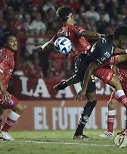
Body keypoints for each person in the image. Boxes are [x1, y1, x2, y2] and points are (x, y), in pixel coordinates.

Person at [36, 6, 105, 139]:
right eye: (72, 16)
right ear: (70, 16)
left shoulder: (61, 32)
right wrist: (99, 35)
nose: (74, 18)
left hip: (78, 63)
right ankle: (78, 133)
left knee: (91, 92)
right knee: (92, 100)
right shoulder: (75, 28)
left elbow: (52, 40)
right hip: (87, 58)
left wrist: (43, 46)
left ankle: (67, 83)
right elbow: (83, 33)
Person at [0, 32, 25, 140]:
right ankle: (4, 131)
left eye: (15, 41)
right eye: (11, 41)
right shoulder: (7, 55)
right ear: (5, 43)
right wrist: (3, 90)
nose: (15, 43)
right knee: (20, 108)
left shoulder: (1, 52)